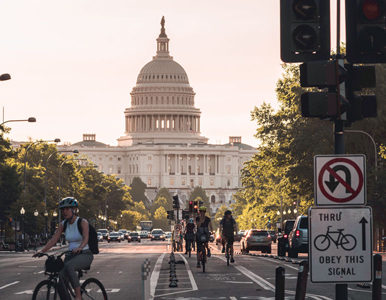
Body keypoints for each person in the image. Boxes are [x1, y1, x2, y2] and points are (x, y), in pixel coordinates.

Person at [33, 197, 93, 300]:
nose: (64, 212)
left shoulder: (82, 222)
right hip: (70, 255)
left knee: (69, 267)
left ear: (74, 210)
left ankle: (78, 296)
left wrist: (80, 247)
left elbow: (86, 238)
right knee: (60, 276)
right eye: (62, 210)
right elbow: (53, 240)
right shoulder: (63, 224)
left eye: (67, 209)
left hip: (84, 254)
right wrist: (42, 251)